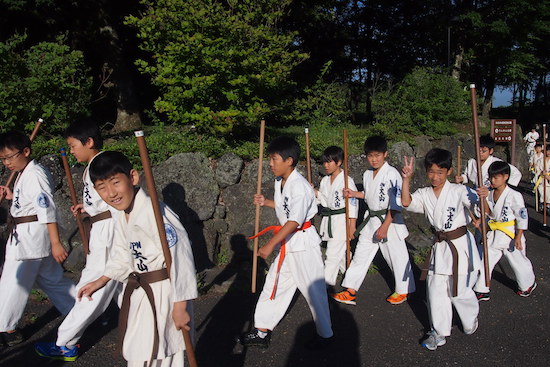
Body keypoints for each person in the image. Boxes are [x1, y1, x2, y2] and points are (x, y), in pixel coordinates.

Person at [76, 151, 197, 366]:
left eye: (115, 183)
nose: (111, 193)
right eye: (102, 188)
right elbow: (123, 253)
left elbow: (180, 256)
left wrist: (180, 305)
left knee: (164, 353)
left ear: (132, 178)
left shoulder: (154, 213)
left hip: (165, 293)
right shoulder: (122, 213)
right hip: (142, 292)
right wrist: (101, 280)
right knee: (141, 352)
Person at [35, 119, 122, 361]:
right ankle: (148, 329)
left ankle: (66, 342)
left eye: (73, 145)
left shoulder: (103, 164)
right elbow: (104, 199)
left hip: (108, 233)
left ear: (89, 142)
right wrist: (88, 207)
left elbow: (118, 197)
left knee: (90, 287)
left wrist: (99, 214)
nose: (72, 151)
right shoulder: (94, 166)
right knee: (123, 286)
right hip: (103, 228)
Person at [239, 136, 333, 349]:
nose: (270, 164)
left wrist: (270, 244)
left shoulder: (299, 186)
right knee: (275, 283)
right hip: (289, 242)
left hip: (303, 243)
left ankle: (325, 336)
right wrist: (266, 202)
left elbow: (293, 221)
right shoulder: (280, 181)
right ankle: (262, 330)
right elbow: (286, 208)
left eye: (274, 159)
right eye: (270, 160)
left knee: (314, 290)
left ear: (289, 161)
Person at [0, 131, 76, 347]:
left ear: (25, 151)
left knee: (15, 282)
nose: (7, 163)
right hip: (25, 236)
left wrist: (55, 242)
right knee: (51, 280)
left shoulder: (35, 174)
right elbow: (30, 202)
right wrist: (12, 197)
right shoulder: (27, 172)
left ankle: (6, 327)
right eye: (3, 159)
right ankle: (81, 310)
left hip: (30, 239)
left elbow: (45, 209)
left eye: (9, 157)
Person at [401, 148, 481, 351]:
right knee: (435, 290)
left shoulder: (458, 190)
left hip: (459, 245)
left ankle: (471, 318)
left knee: (459, 291)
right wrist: (406, 179)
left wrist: (483, 196)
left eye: (440, 172)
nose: (435, 177)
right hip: (440, 247)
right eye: (431, 172)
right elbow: (406, 202)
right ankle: (439, 332)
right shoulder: (424, 194)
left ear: (449, 171)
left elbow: (479, 208)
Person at [332, 136, 415, 305]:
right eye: (370, 156)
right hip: (371, 220)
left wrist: (385, 226)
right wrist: (354, 194)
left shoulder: (392, 174)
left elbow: (396, 203)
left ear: (385, 154)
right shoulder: (367, 174)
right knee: (361, 254)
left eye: (377, 155)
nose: (374, 159)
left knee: (396, 256)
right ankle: (350, 290)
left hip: (389, 220)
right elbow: (370, 196)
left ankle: (403, 290)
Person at [473, 161, 536, 301]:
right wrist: (482, 199)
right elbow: (488, 212)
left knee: (518, 262)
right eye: (491, 177)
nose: (493, 181)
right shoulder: (489, 194)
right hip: (494, 234)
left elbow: (521, 217)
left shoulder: (514, 195)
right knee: (486, 260)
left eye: (496, 177)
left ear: (506, 176)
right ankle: (482, 289)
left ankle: (528, 285)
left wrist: (519, 237)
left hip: (510, 234)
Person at [315, 146, 358, 288]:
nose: (326, 165)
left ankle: (326, 285)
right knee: (340, 255)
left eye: (329, 162)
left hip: (341, 221)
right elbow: (323, 199)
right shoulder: (325, 181)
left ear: (339, 162)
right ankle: (353, 277)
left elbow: (353, 203)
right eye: (324, 162)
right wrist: (313, 192)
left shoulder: (346, 180)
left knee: (332, 254)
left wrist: (352, 226)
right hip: (329, 220)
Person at [455, 134, 521, 188]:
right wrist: (462, 178)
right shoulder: (471, 162)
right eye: (478, 150)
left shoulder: (496, 163)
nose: (480, 153)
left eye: (484, 151)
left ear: (491, 151)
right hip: (476, 191)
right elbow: (467, 176)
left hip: (491, 193)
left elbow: (516, 173)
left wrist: (504, 187)